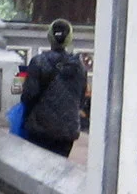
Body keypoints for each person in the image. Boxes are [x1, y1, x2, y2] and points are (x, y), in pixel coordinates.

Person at [18, 19, 86, 159]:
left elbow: (28, 96)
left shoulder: (38, 62)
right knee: (59, 168)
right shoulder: (79, 66)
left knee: (38, 167)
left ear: (49, 37)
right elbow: (81, 99)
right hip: (67, 130)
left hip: (40, 128)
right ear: (69, 38)